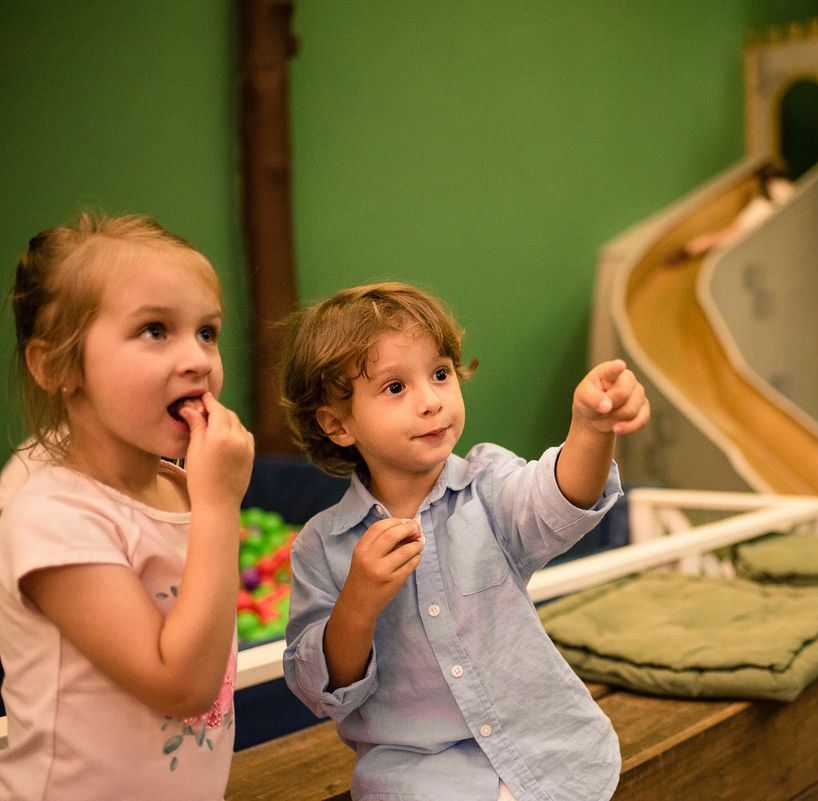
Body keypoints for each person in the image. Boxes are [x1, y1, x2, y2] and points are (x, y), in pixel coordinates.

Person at [278, 283, 649, 801]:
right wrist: (358, 602)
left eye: (440, 374)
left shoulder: (488, 484)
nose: (431, 402)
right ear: (338, 424)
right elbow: (321, 691)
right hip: (420, 780)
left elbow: (558, 501)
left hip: (553, 753)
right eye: (394, 388)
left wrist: (591, 427)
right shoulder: (321, 547)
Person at [0, 213, 255, 799]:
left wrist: (209, 498)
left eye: (207, 332)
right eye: (155, 330)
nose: (197, 359)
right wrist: (220, 503)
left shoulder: (182, 491)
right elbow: (183, 687)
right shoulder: (52, 518)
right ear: (57, 366)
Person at [669, 163, 795, 264]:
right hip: (754, 219)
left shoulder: (778, 188)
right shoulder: (784, 189)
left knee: (721, 239)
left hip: (755, 217)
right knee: (721, 239)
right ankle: (687, 250)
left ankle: (688, 250)